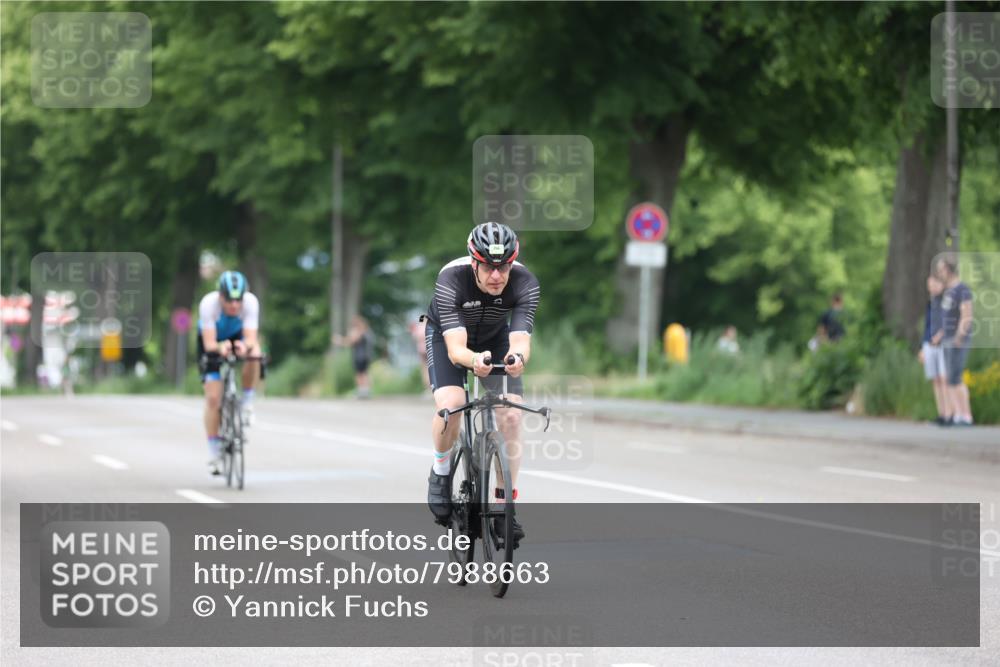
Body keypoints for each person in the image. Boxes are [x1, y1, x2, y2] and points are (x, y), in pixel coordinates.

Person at [424, 222, 539, 548]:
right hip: (450, 337)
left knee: (512, 415)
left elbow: (520, 340)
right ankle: (441, 471)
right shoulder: (451, 279)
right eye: (488, 266)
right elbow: (456, 349)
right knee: (451, 404)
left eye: (503, 267)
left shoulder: (525, 282)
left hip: (495, 336)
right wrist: (474, 361)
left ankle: (505, 506)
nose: (496, 276)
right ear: (473, 261)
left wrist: (516, 358)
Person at [197, 270, 262, 475]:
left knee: (256, 354)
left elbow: (251, 338)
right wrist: (220, 347)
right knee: (213, 400)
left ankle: (247, 401)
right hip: (213, 340)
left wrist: (245, 347)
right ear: (220, 296)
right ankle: (214, 452)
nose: (234, 305)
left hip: (237, 335)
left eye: (238, 300)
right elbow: (208, 344)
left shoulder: (251, 303)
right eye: (229, 300)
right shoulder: (208, 304)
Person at [935, 256, 974, 426]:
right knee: (950, 378)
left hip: (957, 339)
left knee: (956, 378)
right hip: (947, 338)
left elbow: (967, 315)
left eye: (941, 269)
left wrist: (959, 336)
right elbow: (946, 317)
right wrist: (941, 335)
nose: (939, 273)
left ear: (949, 270)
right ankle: (956, 415)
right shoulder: (947, 291)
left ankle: (966, 416)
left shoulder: (962, 289)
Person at [918, 274, 948, 425]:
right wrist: (922, 347)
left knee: (944, 378)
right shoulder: (930, 302)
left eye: (934, 284)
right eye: (929, 284)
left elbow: (949, 322)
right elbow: (927, 326)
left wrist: (939, 336)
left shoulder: (946, 302)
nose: (931, 287)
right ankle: (941, 413)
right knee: (935, 379)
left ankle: (950, 413)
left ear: (941, 284)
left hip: (942, 345)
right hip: (929, 344)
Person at [333, 315, 374, 399]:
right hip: (366, 356)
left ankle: (362, 392)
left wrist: (339, 340)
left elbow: (351, 341)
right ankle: (365, 392)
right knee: (364, 374)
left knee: (359, 374)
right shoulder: (368, 331)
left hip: (360, 357)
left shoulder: (360, 332)